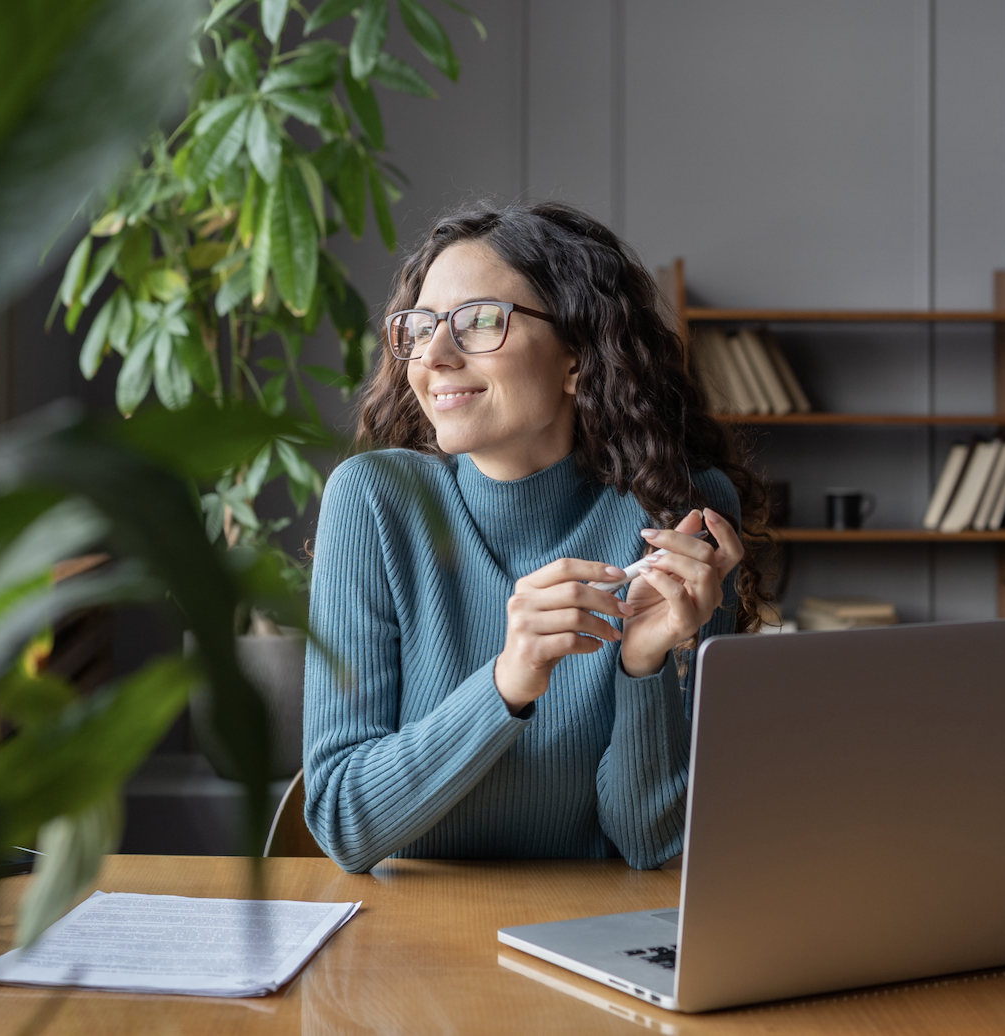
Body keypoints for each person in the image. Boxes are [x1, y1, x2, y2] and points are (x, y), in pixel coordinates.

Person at [304, 201, 769, 873]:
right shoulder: (373, 502)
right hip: (405, 938)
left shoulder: (682, 515)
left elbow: (651, 841)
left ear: (577, 357)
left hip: (591, 937)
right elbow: (344, 821)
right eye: (420, 327)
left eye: (480, 322)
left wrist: (643, 665)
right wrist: (508, 680)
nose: (434, 355)